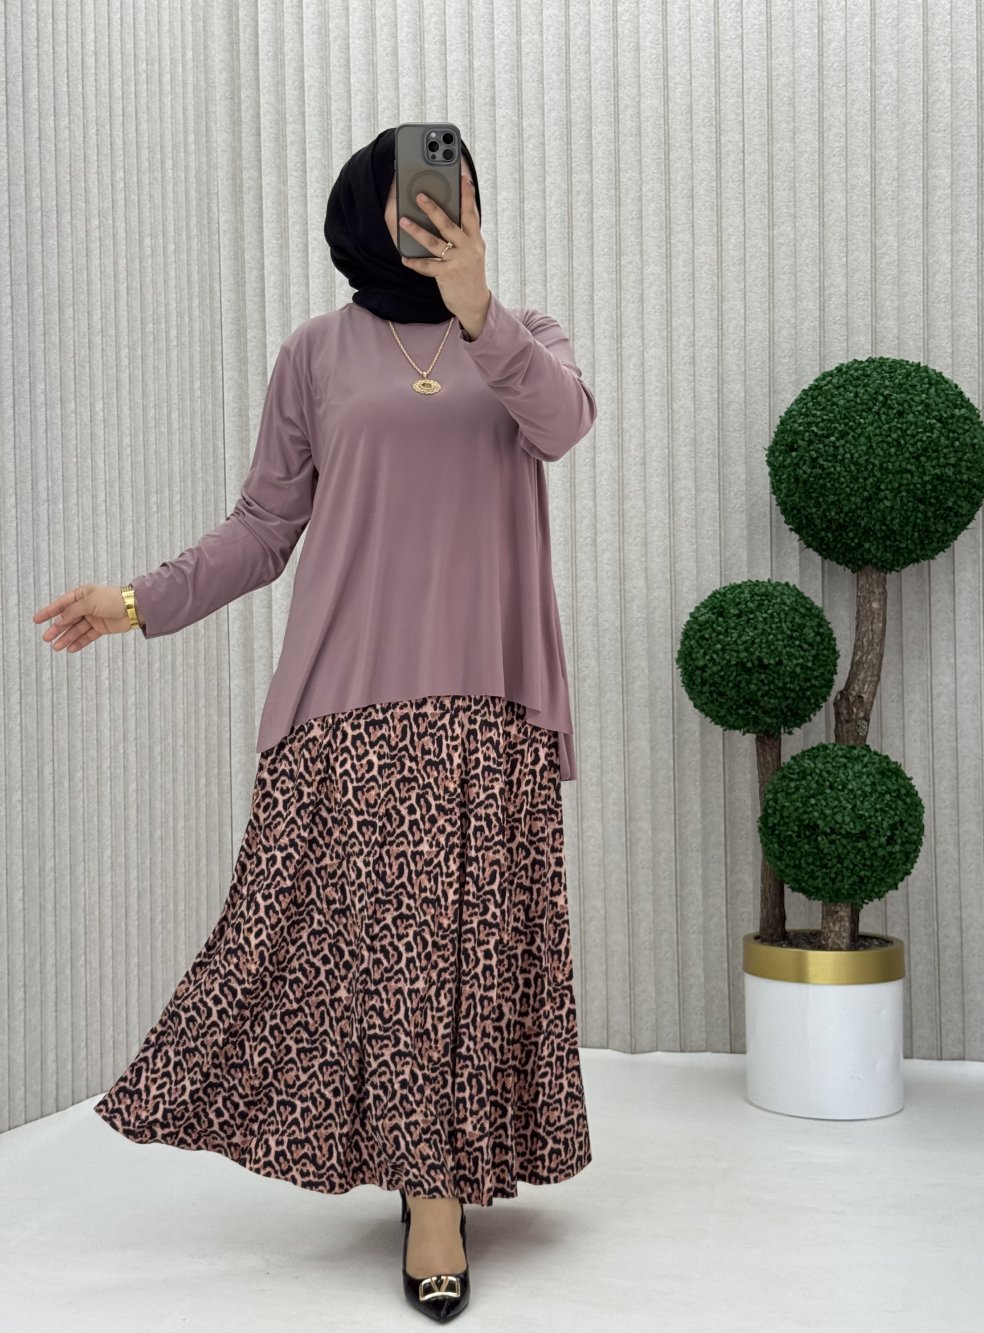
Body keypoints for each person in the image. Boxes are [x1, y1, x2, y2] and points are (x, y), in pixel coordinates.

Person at [32, 125, 597, 1322]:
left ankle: (436, 1190)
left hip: (489, 703)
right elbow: (262, 527)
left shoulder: (523, 335)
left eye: (458, 189)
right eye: (417, 192)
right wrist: (135, 600)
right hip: (350, 704)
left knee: (464, 961)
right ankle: (423, 1188)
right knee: (369, 961)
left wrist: (477, 305)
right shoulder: (315, 354)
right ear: (364, 210)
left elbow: (563, 427)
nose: (441, 207)